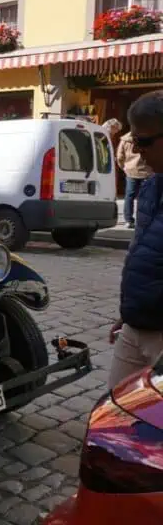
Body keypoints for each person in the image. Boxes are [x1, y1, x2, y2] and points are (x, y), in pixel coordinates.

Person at [109, 90, 163, 389]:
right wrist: (128, 312)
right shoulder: (152, 185)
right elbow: (142, 253)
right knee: (115, 414)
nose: (138, 151)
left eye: (143, 141)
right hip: (137, 326)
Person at [115, 120, 153, 229]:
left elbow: (119, 156)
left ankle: (128, 220)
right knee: (145, 197)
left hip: (130, 171)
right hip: (146, 171)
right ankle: (143, 219)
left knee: (129, 196)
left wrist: (124, 168)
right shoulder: (146, 139)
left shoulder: (124, 140)